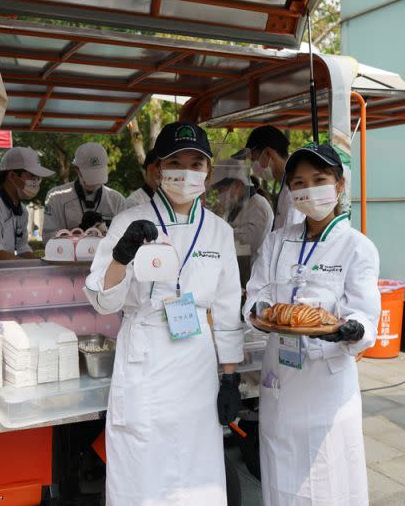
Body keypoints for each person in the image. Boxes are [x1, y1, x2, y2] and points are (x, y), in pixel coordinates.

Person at [84, 122, 244, 505]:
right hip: (146, 355)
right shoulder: (129, 221)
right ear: (157, 168)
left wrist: (230, 379)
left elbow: (225, 310)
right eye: (175, 161)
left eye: (196, 162)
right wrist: (122, 256)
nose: (186, 171)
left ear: (207, 171)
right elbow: (103, 301)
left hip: (196, 363)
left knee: (196, 468)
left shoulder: (219, 231)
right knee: (143, 466)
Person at [244, 143, 381, 506]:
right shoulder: (276, 242)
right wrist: (261, 310)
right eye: (299, 183)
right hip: (280, 383)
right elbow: (254, 295)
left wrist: (351, 329)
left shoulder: (357, 247)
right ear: (290, 190)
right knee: (281, 482)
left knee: (328, 485)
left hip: (327, 386)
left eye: (319, 180)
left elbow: (366, 316)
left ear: (339, 185)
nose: (309, 190)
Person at [43, 142, 125, 237]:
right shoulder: (56, 197)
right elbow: (48, 238)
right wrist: (79, 232)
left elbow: (126, 238)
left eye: (98, 176)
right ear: (76, 169)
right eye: (90, 177)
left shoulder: (117, 201)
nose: (94, 183)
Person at [0, 146, 54, 261]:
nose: (36, 182)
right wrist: (26, 266)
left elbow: (22, 248)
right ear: (12, 176)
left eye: (38, 178)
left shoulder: (22, 211)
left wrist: (39, 265)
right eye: (32, 176)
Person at [234, 125, 301, 230]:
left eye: (253, 159)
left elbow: (289, 239)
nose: (253, 166)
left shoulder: (293, 191)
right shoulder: (286, 186)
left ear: (268, 153)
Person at [211, 159, 274, 265]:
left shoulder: (258, 206)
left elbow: (247, 243)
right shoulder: (237, 205)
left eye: (221, 189)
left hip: (251, 271)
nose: (219, 195)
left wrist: (219, 232)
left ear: (237, 185)